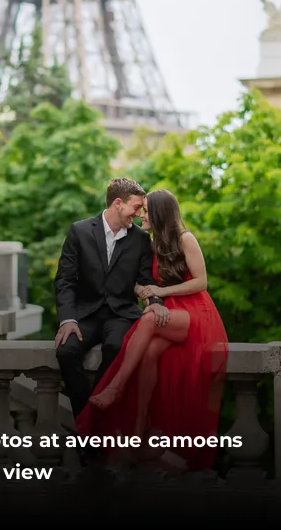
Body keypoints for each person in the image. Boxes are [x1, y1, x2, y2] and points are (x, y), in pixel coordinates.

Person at [74, 188, 229, 473]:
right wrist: (144, 292)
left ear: (158, 212)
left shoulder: (185, 238)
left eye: (145, 209)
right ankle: (139, 432)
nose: (140, 214)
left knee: (145, 322)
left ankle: (116, 388)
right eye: (139, 209)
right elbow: (138, 281)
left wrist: (160, 291)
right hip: (169, 312)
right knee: (150, 353)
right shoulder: (150, 243)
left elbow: (201, 282)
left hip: (197, 313)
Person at [54, 178, 169, 425]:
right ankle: (88, 419)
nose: (139, 215)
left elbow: (146, 279)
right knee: (66, 351)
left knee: (117, 348)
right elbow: (64, 280)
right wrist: (67, 318)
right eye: (136, 208)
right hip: (84, 314)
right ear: (118, 203)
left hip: (121, 314)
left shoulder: (140, 239)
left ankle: (89, 425)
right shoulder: (79, 231)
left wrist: (156, 301)